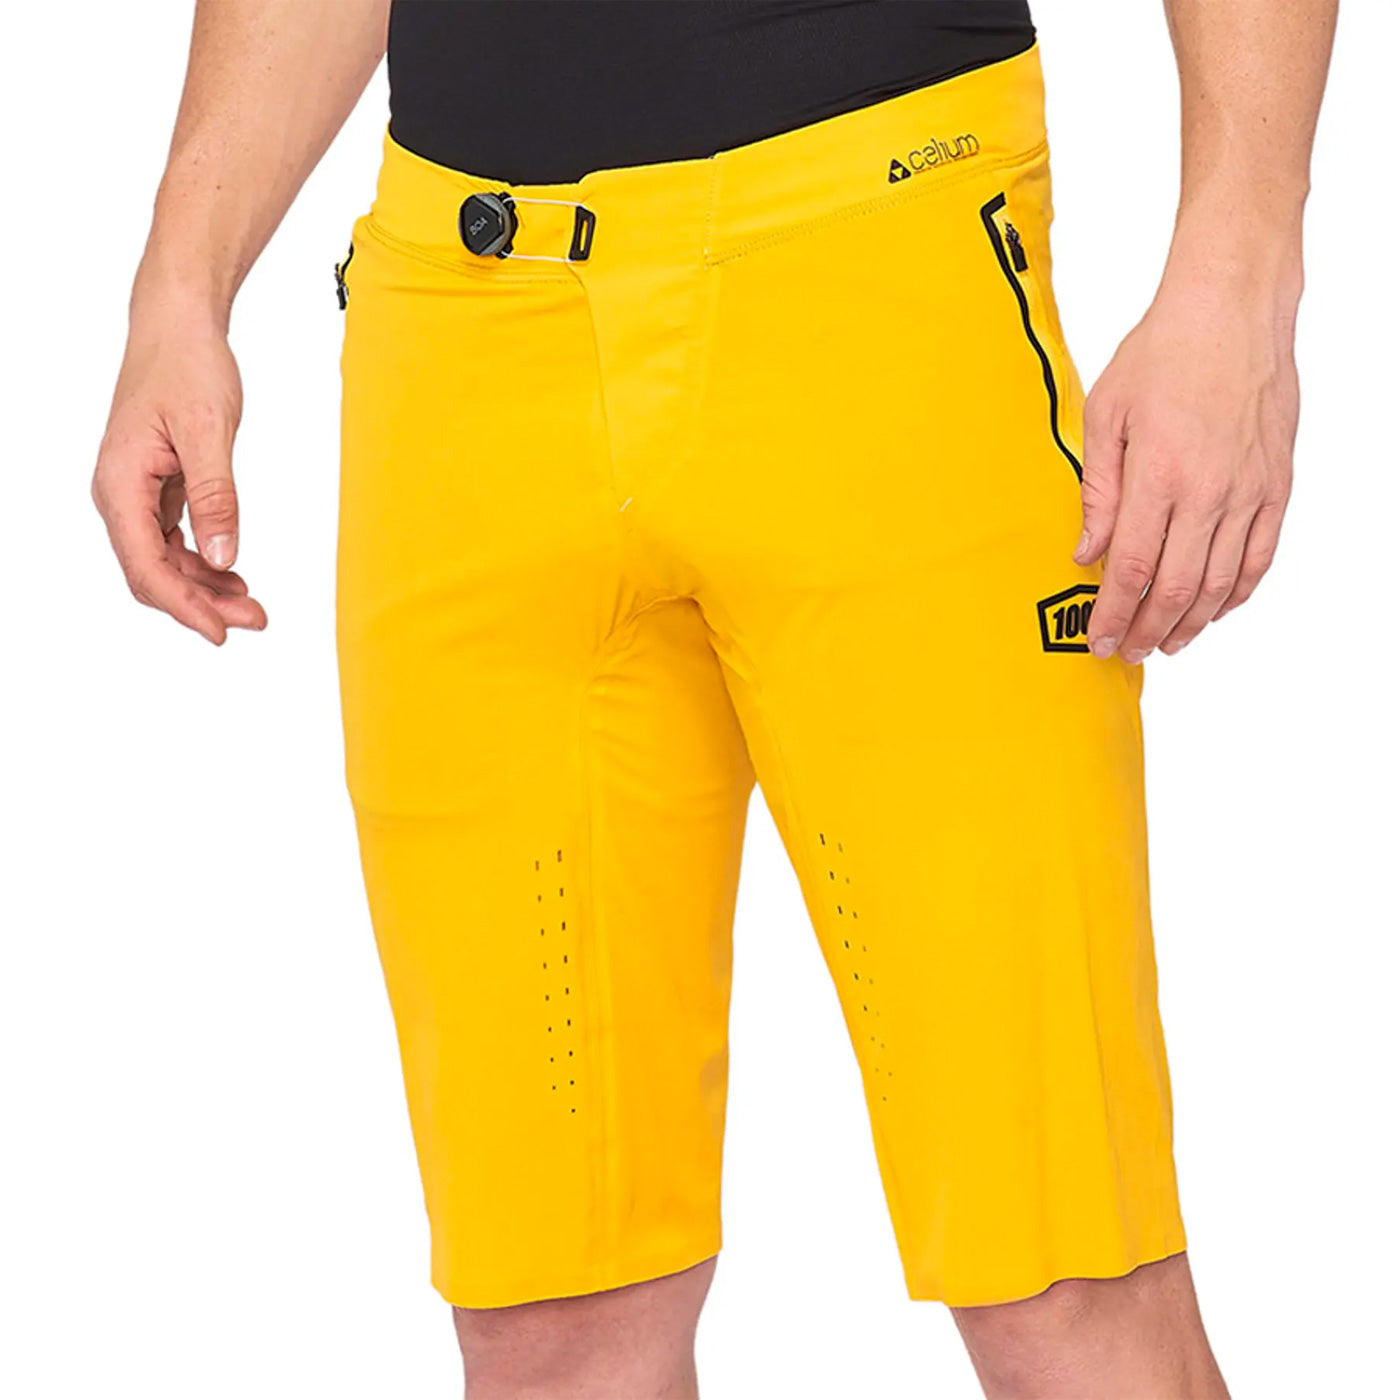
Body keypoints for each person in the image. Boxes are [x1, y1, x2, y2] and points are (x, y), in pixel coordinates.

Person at [90, 2, 1338, 1396]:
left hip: (883, 277)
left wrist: (1241, 270)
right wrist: (180, 285)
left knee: (1061, 1276)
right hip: (462, 337)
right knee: (549, 1324)